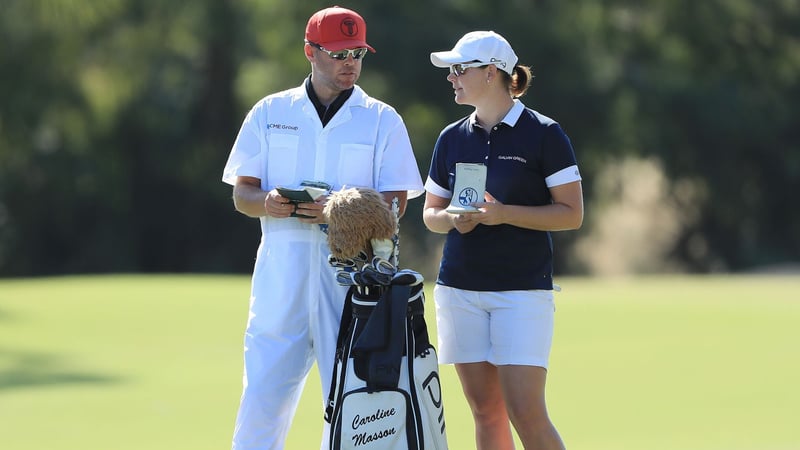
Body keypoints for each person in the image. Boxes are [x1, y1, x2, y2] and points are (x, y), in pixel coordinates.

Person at [221, 6, 424, 450]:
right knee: (261, 403)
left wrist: (341, 210)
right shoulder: (270, 111)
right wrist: (269, 204)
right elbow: (243, 193)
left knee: (356, 410)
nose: (349, 61)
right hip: (281, 279)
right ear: (310, 51)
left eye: (357, 52)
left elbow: (397, 204)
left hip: (354, 283)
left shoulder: (382, 119)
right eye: (338, 52)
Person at [422, 31, 583, 450]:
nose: (451, 78)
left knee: (526, 413)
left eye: (460, 69)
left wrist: (504, 214)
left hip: (521, 291)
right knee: (484, 411)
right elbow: (430, 215)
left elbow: (572, 213)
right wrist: (454, 220)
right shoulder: (451, 137)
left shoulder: (545, 134)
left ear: (491, 72)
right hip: (459, 289)